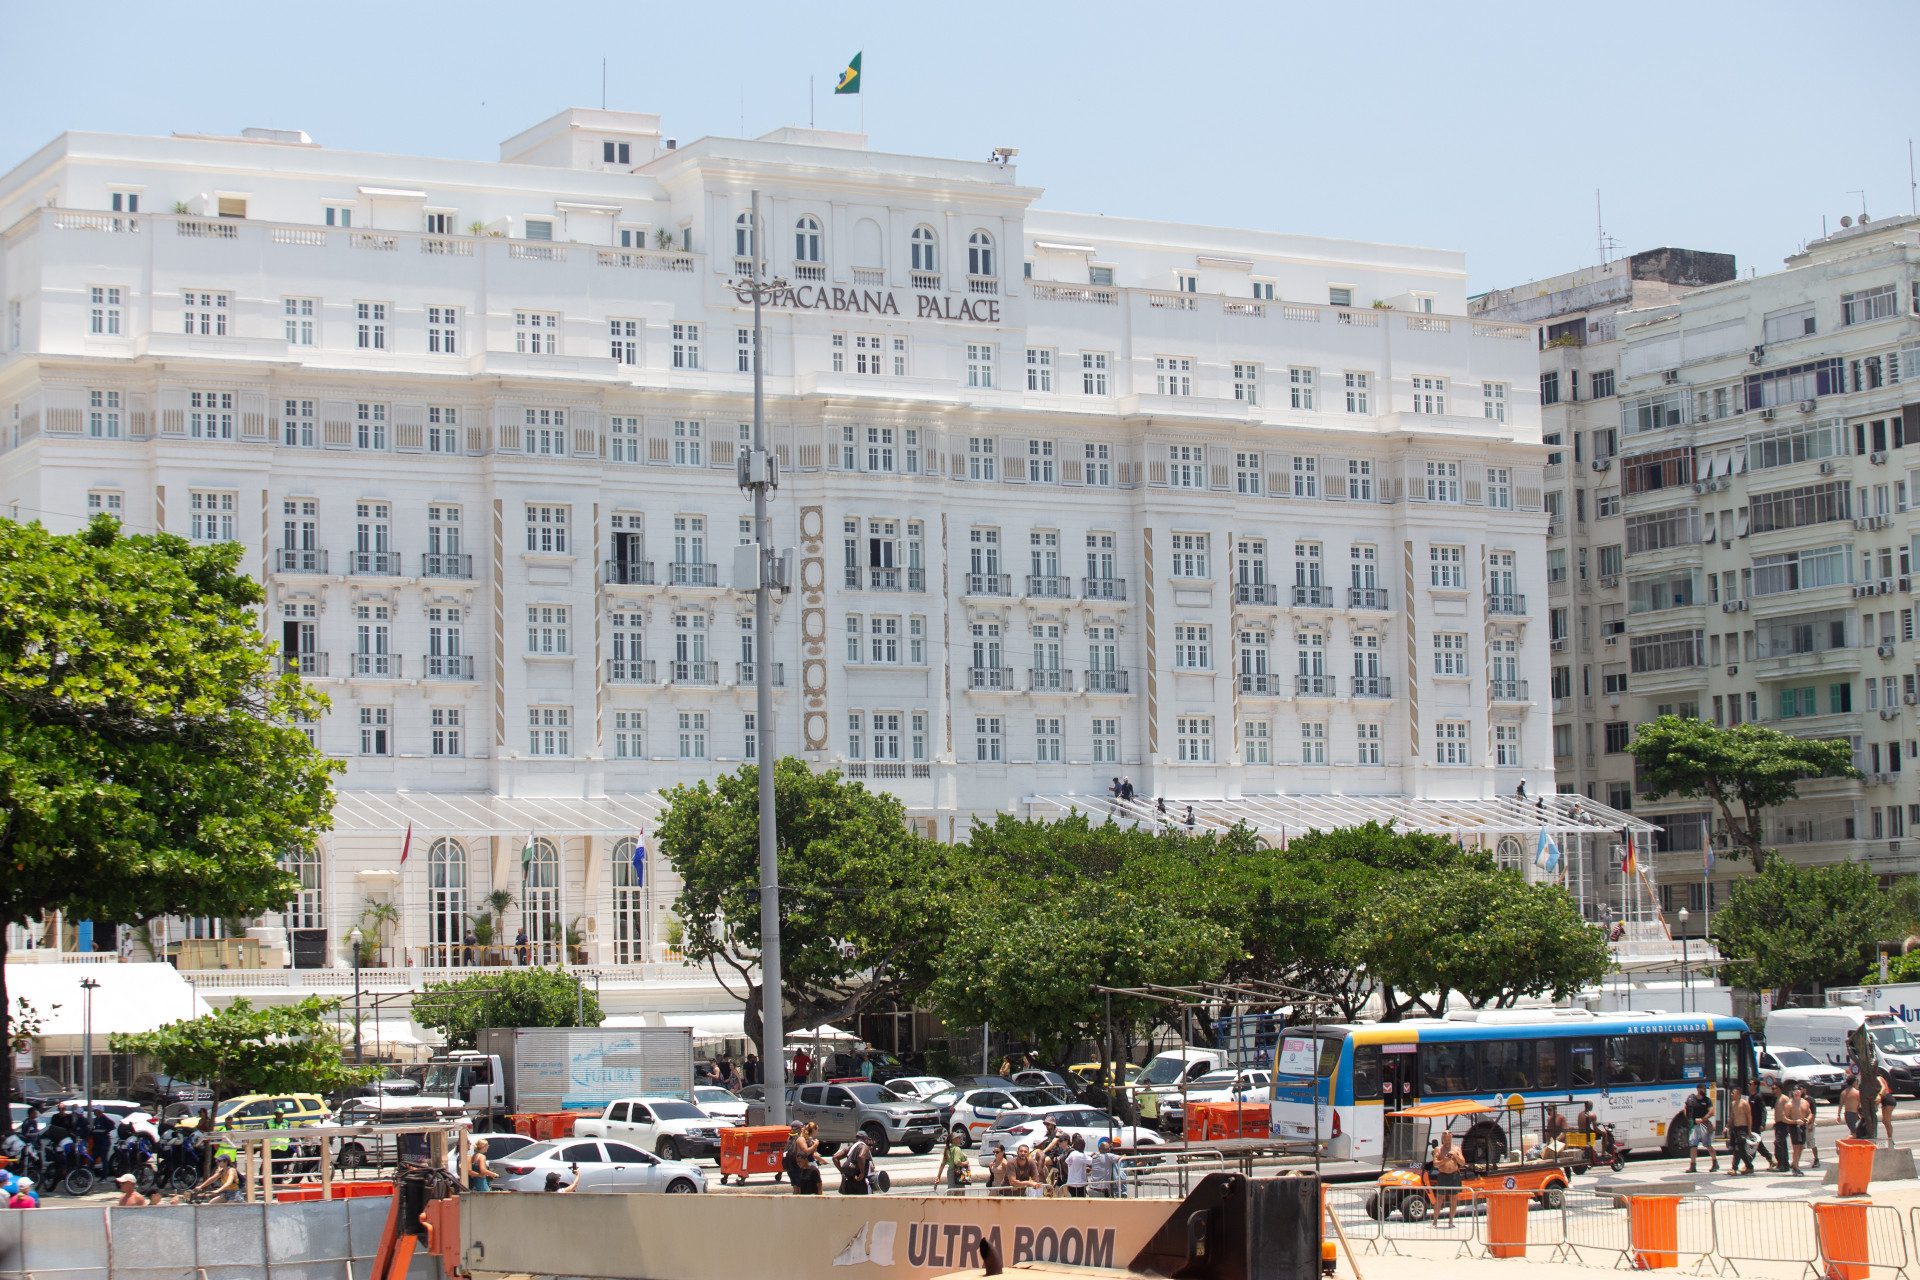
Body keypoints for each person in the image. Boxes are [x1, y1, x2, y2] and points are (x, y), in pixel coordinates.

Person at [1430, 1131, 1466, 1226]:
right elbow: (1435, 1164)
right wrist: (1444, 1160)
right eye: (1445, 1139)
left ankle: (1451, 1221)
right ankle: (1435, 1221)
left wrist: (1455, 1156)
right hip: (1443, 1175)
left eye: (1449, 1139)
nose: (1447, 1141)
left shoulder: (1456, 1149)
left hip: (1454, 1175)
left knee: (1454, 1199)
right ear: (1442, 1139)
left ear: (1451, 1138)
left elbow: (1462, 1163)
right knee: (1439, 1198)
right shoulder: (1438, 1149)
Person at [1684, 1082, 1718, 1173]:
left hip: (1704, 1124)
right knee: (1693, 1145)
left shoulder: (1707, 1100)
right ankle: (1693, 1165)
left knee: (1707, 1144)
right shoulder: (1692, 1099)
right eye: (1703, 1089)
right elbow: (1686, 1108)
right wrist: (1689, 1120)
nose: (1705, 1091)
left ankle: (1715, 1163)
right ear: (1698, 1089)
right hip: (1694, 1125)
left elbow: (1711, 1112)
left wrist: (1703, 1119)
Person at [837, 1131, 873, 1195]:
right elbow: (861, 1156)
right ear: (865, 1139)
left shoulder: (851, 1147)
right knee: (864, 1203)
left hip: (849, 1180)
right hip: (860, 1182)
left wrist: (842, 1171)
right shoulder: (864, 1147)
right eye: (867, 1139)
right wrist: (862, 1173)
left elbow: (835, 1158)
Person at [1728, 1088, 1754, 1176]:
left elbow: (1749, 1117)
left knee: (1738, 1148)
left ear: (1738, 1094)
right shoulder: (1733, 1104)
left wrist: (1749, 1130)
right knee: (1741, 1149)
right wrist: (1727, 1127)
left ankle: (1734, 1168)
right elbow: (1732, 1117)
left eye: (1733, 1093)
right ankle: (1749, 1166)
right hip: (1736, 1128)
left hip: (1743, 1129)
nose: (1731, 1094)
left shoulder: (1744, 1104)